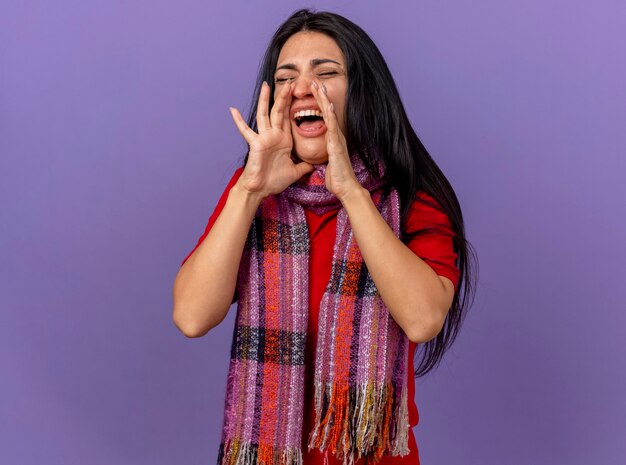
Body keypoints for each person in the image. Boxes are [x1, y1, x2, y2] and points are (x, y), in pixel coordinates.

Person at [172, 9, 476, 465]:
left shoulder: (412, 196)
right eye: (286, 76)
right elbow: (192, 316)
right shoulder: (253, 196)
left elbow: (423, 318)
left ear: (363, 93)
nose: (301, 88)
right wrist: (250, 189)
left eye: (326, 72)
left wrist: (350, 191)